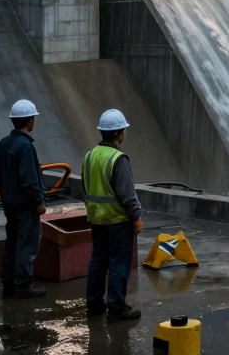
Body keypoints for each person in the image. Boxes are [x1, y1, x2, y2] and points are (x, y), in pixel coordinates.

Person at [83, 109, 145, 322]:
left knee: (98, 262)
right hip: (118, 221)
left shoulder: (90, 156)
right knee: (119, 264)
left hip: (96, 220)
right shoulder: (118, 159)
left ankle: (94, 304)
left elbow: (85, 186)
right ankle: (117, 308)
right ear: (119, 133)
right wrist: (136, 217)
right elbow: (127, 194)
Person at [0, 99, 47, 299]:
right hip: (26, 205)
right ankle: (23, 286)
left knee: (12, 242)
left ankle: (9, 283)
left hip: (9, 203)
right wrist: (38, 201)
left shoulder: (3, 144)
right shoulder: (24, 146)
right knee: (27, 245)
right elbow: (29, 179)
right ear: (29, 121)